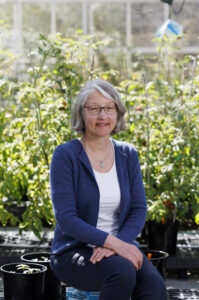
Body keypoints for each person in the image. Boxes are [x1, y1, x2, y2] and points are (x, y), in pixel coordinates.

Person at [50, 79, 167, 300]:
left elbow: (138, 209)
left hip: (119, 245)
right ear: (82, 114)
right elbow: (66, 218)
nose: (103, 116)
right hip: (73, 250)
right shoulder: (65, 155)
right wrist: (112, 244)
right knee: (122, 272)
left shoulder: (127, 154)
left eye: (109, 108)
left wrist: (118, 245)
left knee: (154, 287)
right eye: (94, 109)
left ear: (117, 112)